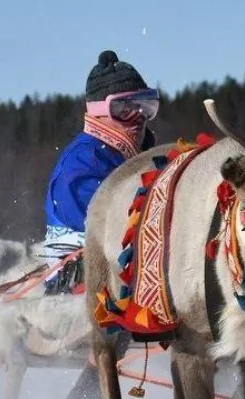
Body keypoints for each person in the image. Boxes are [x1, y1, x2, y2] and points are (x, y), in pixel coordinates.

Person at [40, 50, 160, 295]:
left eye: (145, 105)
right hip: (80, 283)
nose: (138, 116)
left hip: (127, 271)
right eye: (124, 108)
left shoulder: (139, 155)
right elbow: (111, 225)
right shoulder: (82, 164)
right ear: (100, 112)